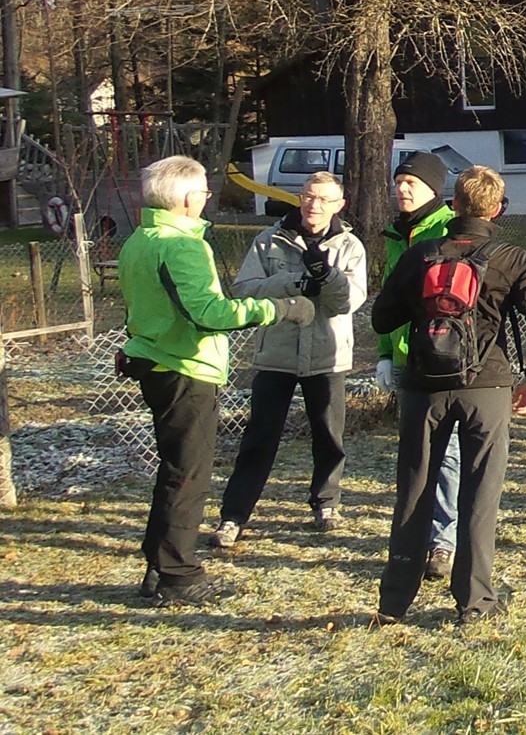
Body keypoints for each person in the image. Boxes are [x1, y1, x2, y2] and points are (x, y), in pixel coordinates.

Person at [118, 156, 314, 606]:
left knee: (175, 469)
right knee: (189, 474)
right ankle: (178, 573)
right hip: (184, 366)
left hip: (156, 360)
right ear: (187, 200)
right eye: (205, 192)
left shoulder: (140, 239)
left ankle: (158, 565)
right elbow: (209, 313)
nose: (208, 199)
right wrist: (278, 309)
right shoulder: (181, 245)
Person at [372, 165, 526, 624]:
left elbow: (381, 318)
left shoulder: (420, 254)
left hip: (423, 386)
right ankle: (475, 601)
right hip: (488, 386)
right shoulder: (513, 258)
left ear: (453, 204)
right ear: (496, 209)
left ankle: (395, 600)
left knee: (414, 488)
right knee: (480, 495)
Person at [213, 170, 369, 547]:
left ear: (339, 205)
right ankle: (233, 515)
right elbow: (243, 291)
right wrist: (294, 282)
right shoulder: (269, 241)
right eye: (308, 196)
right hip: (276, 354)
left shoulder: (350, 246)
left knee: (328, 436)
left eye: (323, 199)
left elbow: (349, 301)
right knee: (259, 438)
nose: (314, 205)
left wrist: (326, 276)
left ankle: (326, 502)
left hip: (327, 357)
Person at [373, 151, 463, 581]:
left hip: (446, 360)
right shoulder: (395, 234)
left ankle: (443, 542)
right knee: (415, 457)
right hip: (409, 361)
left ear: (434, 189)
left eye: (411, 182)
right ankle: (416, 538)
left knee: (447, 455)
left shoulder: (447, 231)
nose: (402, 189)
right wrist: (386, 354)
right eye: (398, 181)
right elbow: (388, 303)